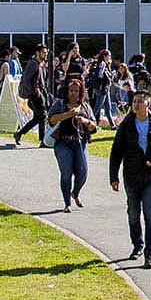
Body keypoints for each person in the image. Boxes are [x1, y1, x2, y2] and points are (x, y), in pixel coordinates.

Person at [109, 91, 151, 269]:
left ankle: (150, 254)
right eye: (134, 102)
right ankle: (137, 244)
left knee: (150, 215)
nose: (136, 105)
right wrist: (113, 177)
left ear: (148, 104)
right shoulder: (126, 125)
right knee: (133, 213)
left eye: (140, 102)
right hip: (131, 176)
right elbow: (116, 152)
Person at [49, 80, 97, 213]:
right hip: (63, 143)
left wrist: (85, 121)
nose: (73, 93)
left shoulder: (85, 107)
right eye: (71, 90)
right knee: (66, 173)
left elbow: (94, 126)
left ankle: (75, 193)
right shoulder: (60, 104)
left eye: (76, 91)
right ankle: (67, 203)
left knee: (82, 172)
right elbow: (51, 120)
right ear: (67, 91)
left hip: (79, 142)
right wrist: (67, 115)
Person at [14, 45, 51, 146]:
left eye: (46, 53)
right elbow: (27, 80)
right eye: (43, 52)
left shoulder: (41, 64)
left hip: (40, 93)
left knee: (38, 118)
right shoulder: (33, 64)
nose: (45, 55)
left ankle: (19, 134)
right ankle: (43, 140)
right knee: (43, 116)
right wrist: (34, 92)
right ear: (37, 53)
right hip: (35, 95)